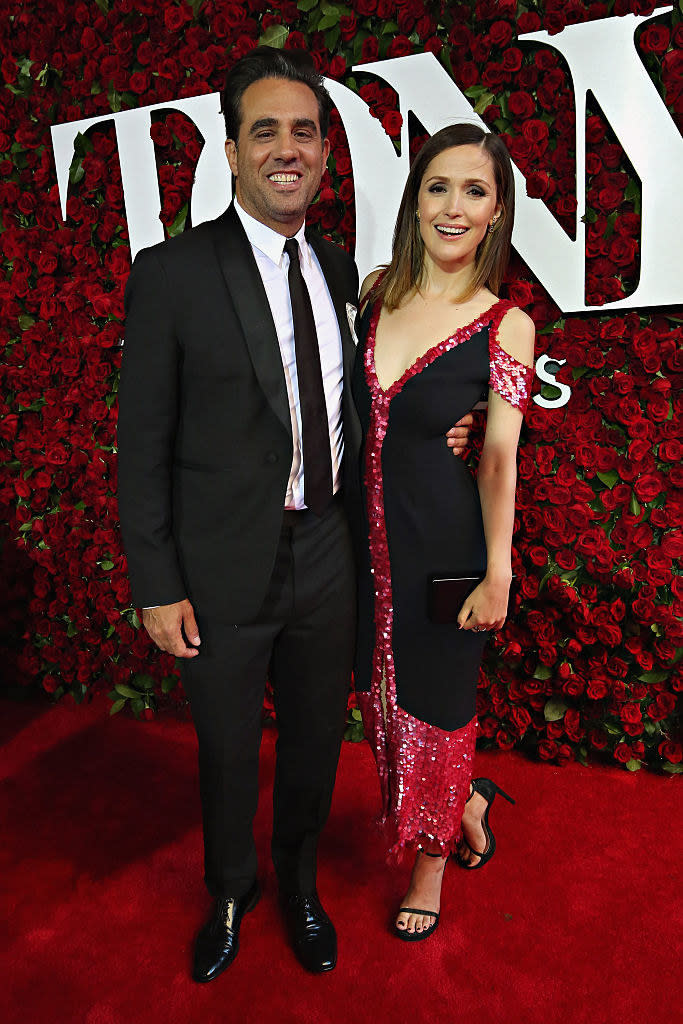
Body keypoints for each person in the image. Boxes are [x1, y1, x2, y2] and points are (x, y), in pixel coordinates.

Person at [117, 48, 471, 980]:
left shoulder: (342, 265)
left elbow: (370, 400)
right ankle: (232, 893)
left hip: (328, 548)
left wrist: (448, 432)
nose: (288, 148)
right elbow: (141, 444)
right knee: (230, 751)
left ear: (324, 154)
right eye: (265, 130)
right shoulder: (172, 273)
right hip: (222, 564)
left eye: (305, 132)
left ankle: (299, 881)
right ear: (229, 152)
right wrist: (156, 584)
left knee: (317, 738)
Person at [352, 123, 535, 941]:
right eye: (438, 188)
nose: (453, 206)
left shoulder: (507, 325)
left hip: (444, 551)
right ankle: (466, 799)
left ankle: (430, 863)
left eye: (474, 190)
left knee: (436, 709)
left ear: (496, 211)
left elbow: (497, 457)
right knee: (382, 706)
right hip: (355, 551)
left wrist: (497, 569)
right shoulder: (373, 293)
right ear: (414, 201)